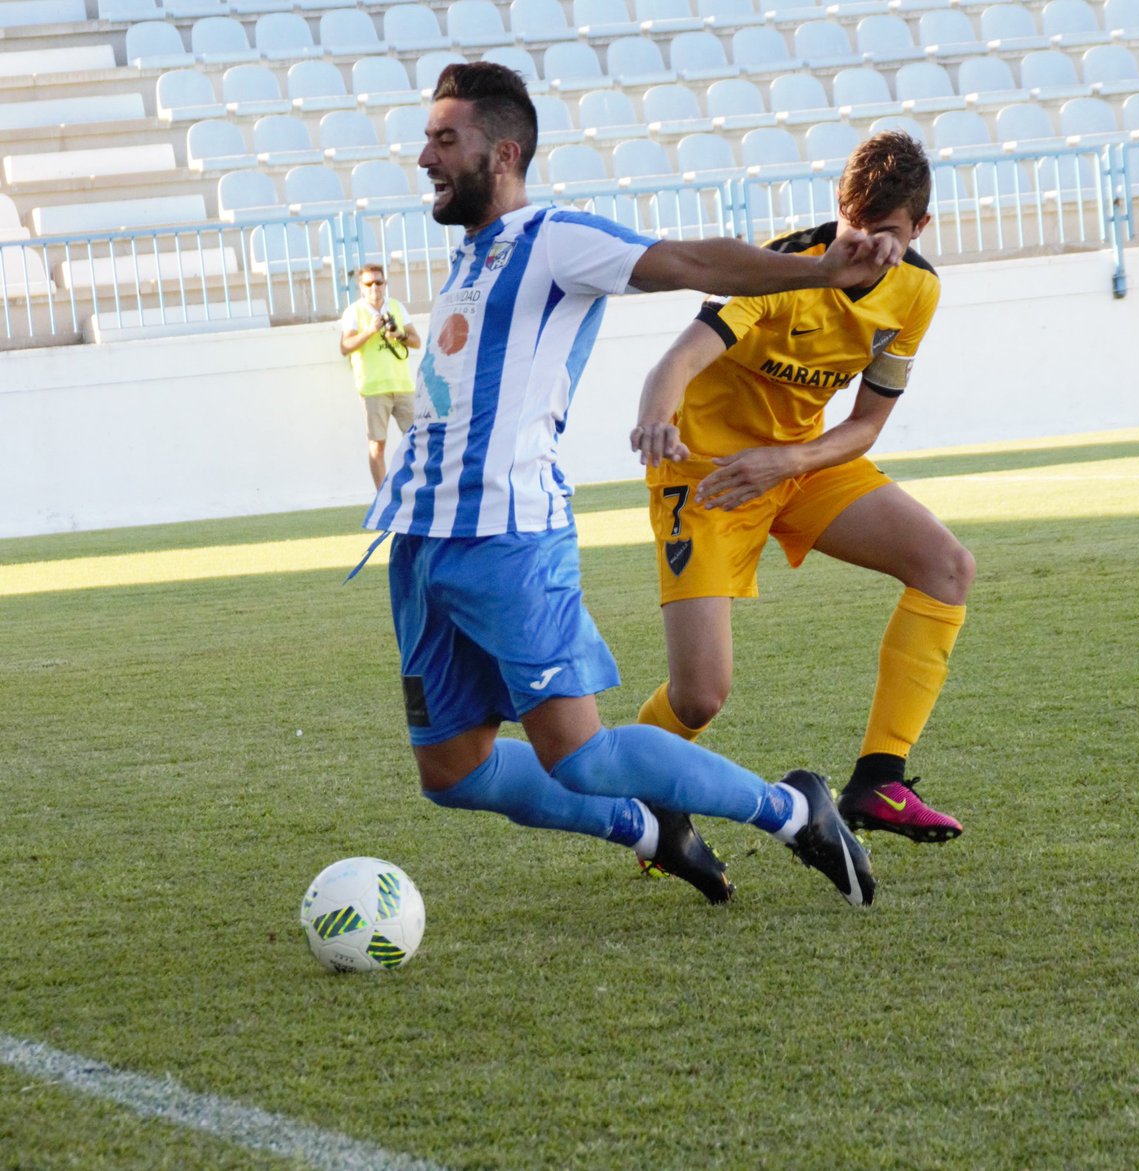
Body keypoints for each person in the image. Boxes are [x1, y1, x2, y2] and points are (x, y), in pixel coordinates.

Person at [363, 62, 907, 907]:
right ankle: (653, 829)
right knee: (451, 769)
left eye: (444, 139)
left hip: (507, 537)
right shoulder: (472, 256)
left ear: (502, 152)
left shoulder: (555, 238)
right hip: (424, 543)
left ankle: (792, 809)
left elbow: (689, 260)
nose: (425, 156)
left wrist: (818, 271)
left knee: (578, 752)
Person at [631, 130, 975, 845]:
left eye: (886, 235)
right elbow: (676, 361)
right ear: (837, 211)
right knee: (700, 693)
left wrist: (789, 462)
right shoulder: (779, 272)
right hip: (707, 475)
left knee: (946, 566)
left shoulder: (918, 289)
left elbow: (868, 424)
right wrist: (655, 418)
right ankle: (642, 797)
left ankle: (879, 781)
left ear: (919, 229)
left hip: (799, 464)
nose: (867, 248)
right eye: (855, 227)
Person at [339, 264, 423, 489]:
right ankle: (383, 495)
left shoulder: (396, 307)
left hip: (402, 385)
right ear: (361, 287)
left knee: (419, 442)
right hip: (373, 388)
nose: (374, 287)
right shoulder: (354, 312)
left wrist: (399, 334)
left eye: (378, 282)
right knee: (377, 445)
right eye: (369, 283)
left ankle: (417, 488)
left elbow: (417, 341)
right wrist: (370, 331)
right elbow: (345, 346)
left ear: (385, 284)